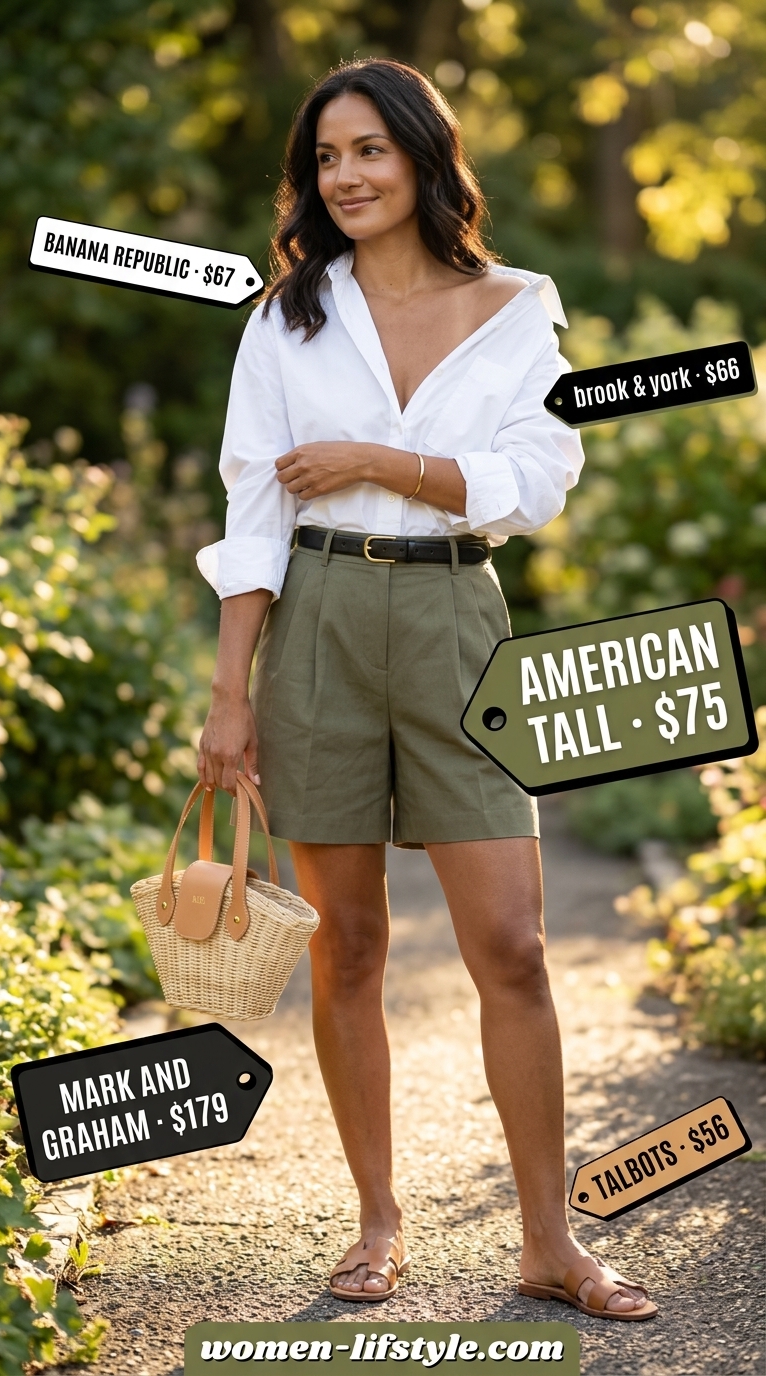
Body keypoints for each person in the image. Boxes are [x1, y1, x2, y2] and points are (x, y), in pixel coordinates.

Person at [196, 58, 657, 1321]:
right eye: (326, 159)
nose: (344, 177)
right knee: (350, 943)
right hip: (319, 619)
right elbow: (251, 509)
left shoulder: (517, 310)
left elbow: (537, 479)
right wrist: (228, 693)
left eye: (368, 153)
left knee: (512, 943)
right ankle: (378, 1219)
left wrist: (378, 461)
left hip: (458, 616)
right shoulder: (285, 317)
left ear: (421, 157)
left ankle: (549, 1241)